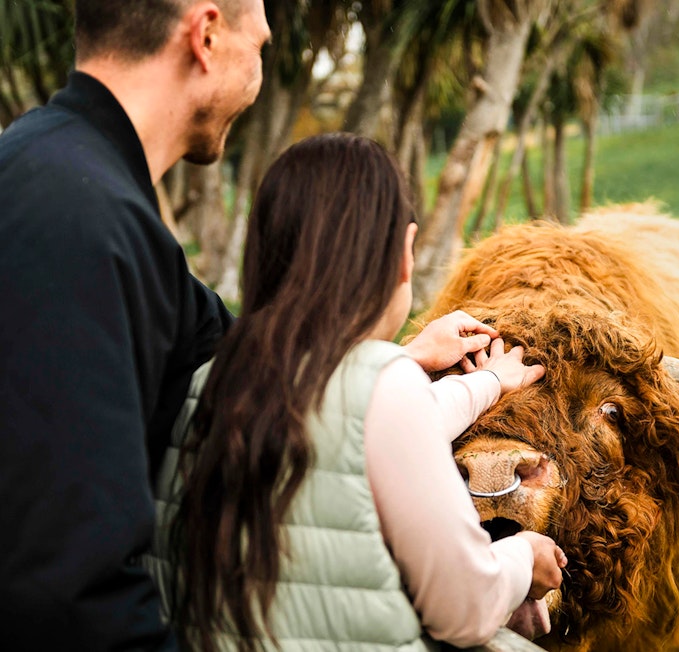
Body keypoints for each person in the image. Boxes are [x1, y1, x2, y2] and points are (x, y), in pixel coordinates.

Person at [148, 133, 566, 651]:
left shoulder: (207, 378)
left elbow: (358, 423)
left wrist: (486, 383)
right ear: (403, 256)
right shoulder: (383, 388)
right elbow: (466, 607)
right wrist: (523, 557)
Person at [0, 1, 271, 649]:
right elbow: (68, 593)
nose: (260, 73)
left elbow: (230, 345)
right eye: (259, 46)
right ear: (206, 36)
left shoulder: (52, 167)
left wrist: (388, 369)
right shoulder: (83, 220)